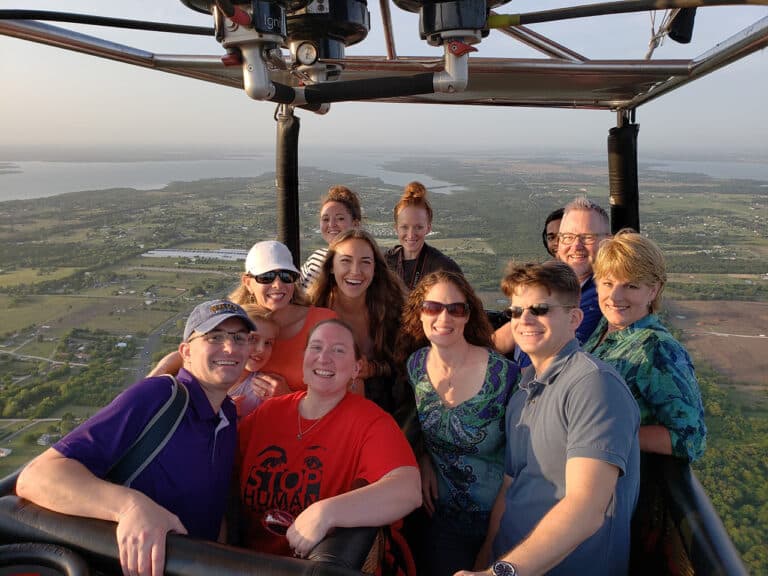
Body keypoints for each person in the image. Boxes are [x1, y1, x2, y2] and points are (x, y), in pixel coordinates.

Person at [16, 299, 256, 576]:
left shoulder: (226, 415)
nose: (230, 347)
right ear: (186, 352)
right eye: (215, 337)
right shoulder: (159, 396)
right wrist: (130, 506)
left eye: (240, 338)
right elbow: (37, 476)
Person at [459, 261, 639, 576]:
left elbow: (586, 508)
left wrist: (500, 572)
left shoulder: (594, 385)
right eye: (515, 312)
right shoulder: (523, 390)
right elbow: (511, 487)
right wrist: (486, 560)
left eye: (540, 309)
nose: (524, 320)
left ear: (574, 318)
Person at [235, 319, 421, 559]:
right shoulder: (268, 414)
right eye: (316, 347)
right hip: (247, 563)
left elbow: (408, 490)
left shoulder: (370, 423)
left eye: (338, 350)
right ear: (304, 359)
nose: (324, 358)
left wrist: (326, 512)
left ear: (356, 368)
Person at [398, 271, 518, 576]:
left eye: (456, 309)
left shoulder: (505, 377)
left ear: (468, 316)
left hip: (502, 521)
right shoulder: (416, 366)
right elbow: (419, 424)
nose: (444, 317)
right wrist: (423, 457)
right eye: (432, 307)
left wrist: (491, 545)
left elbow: (517, 470)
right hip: (442, 521)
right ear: (419, 313)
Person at [152, 240, 336, 394]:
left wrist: (288, 398)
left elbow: (346, 384)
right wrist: (149, 384)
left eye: (286, 276)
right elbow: (193, 351)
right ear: (247, 282)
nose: (278, 284)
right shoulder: (234, 322)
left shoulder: (323, 323)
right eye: (267, 277)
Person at [584, 231, 706, 462]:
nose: (615, 296)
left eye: (631, 286)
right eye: (607, 283)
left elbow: (692, 438)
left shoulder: (658, 349)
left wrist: (609, 436)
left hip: (615, 478)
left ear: (654, 290)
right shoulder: (605, 326)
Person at [493, 198, 609, 358]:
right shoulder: (553, 281)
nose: (576, 246)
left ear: (608, 241)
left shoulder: (603, 296)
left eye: (588, 237)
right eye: (568, 237)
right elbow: (501, 340)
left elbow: (542, 368)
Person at [309, 228, 406, 415]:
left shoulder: (393, 308)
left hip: (386, 407)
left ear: (375, 269)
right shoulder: (314, 311)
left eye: (365, 262)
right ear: (330, 267)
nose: (356, 271)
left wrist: (374, 369)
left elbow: (405, 364)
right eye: (345, 261)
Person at [386, 181, 462, 292]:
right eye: (405, 227)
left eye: (418, 227)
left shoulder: (445, 268)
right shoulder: (386, 263)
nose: (411, 235)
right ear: (396, 228)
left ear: (428, 228)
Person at [300, 185, 363, 291]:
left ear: (355, 224)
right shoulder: (316, 259)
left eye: (340, 218)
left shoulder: (364, 266)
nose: (332, 224)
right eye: (325, 219)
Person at [226, 303, 279, 419]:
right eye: (253, 339)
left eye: (268, 343)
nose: (261, 349)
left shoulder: (262, 390)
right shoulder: (205, 378)